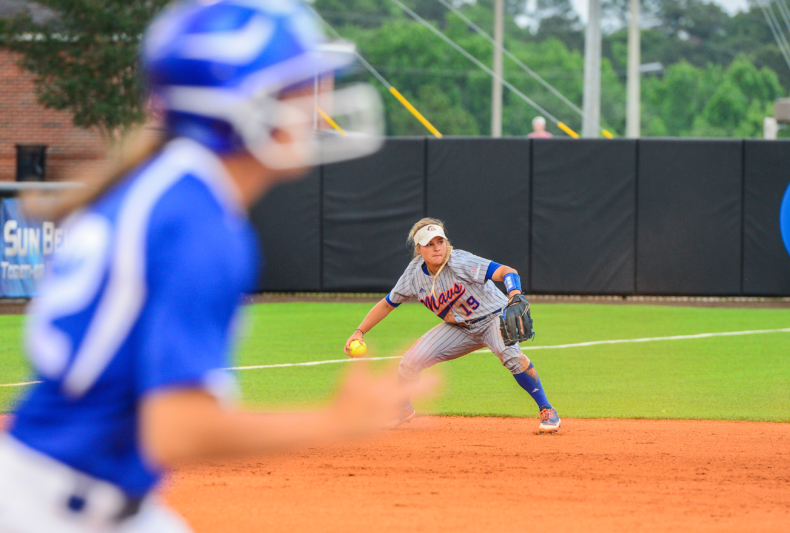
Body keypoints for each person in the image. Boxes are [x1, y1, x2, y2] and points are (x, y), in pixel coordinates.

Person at [0, 1, 430, 532]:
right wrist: (335, 421)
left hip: (52, 485)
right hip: (57, 508)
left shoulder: (170, 188)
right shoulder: (200, 221)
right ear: (240, 106)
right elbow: (175, 431)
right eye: (297, 90)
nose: (315, 107)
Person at [344, 218, 560, 434]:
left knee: (511, 356)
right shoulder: (413, 275)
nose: (437, 248)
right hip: (459, 328)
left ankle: (547, 410)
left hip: (494, 318)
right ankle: (403, 410)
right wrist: (359, 331)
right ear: (419, 249)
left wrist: (515, 293)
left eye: (440, 241)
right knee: (410, 361)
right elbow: (387, 304)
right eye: (430, 244)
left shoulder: (460, 261)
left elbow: (507, 271)